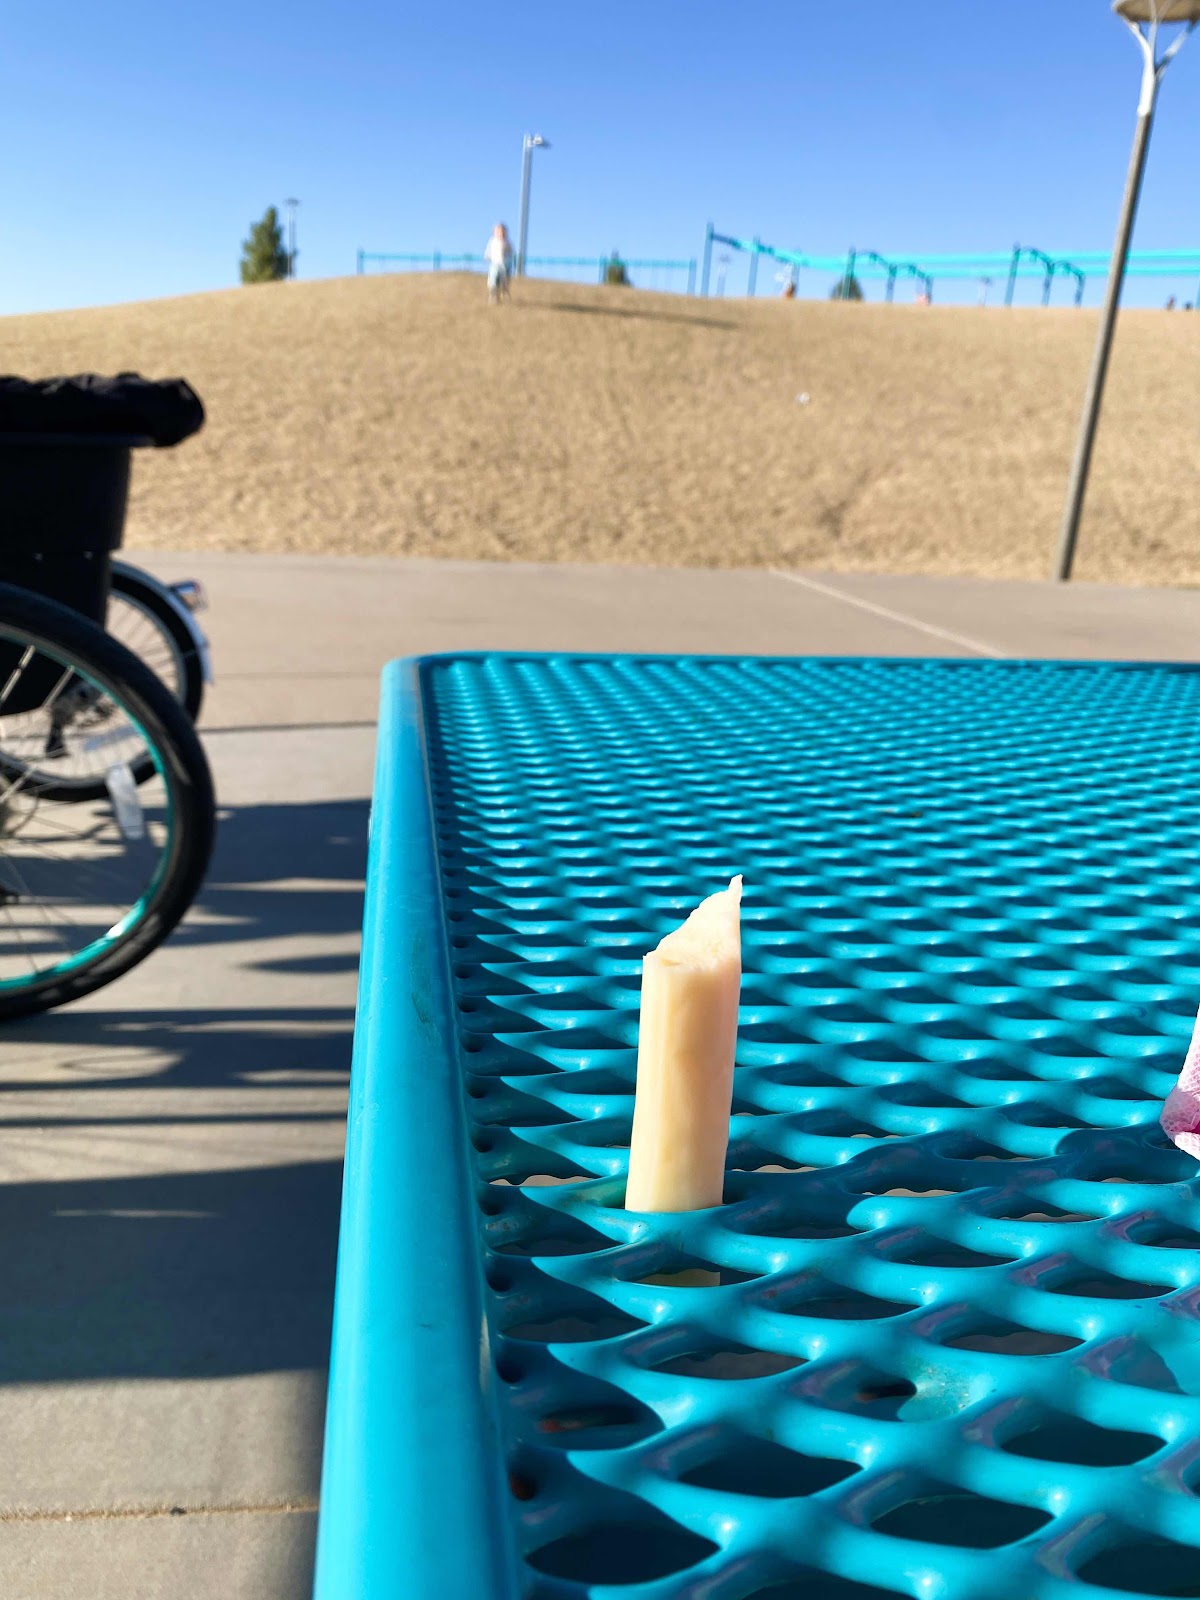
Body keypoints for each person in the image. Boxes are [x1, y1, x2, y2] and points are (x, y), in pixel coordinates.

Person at [484, 223, 513, 303]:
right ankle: (492, 296)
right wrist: (487, 256)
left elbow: (510, 253)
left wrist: (508, 262)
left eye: (503, 232)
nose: (501, 234)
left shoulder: (507, 242)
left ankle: (503, 294)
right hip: (494, 264)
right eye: (498, 232)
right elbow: (488, 251)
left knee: (503, 282)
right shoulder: (492, 241)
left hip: (504, 265)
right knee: (493, 280)